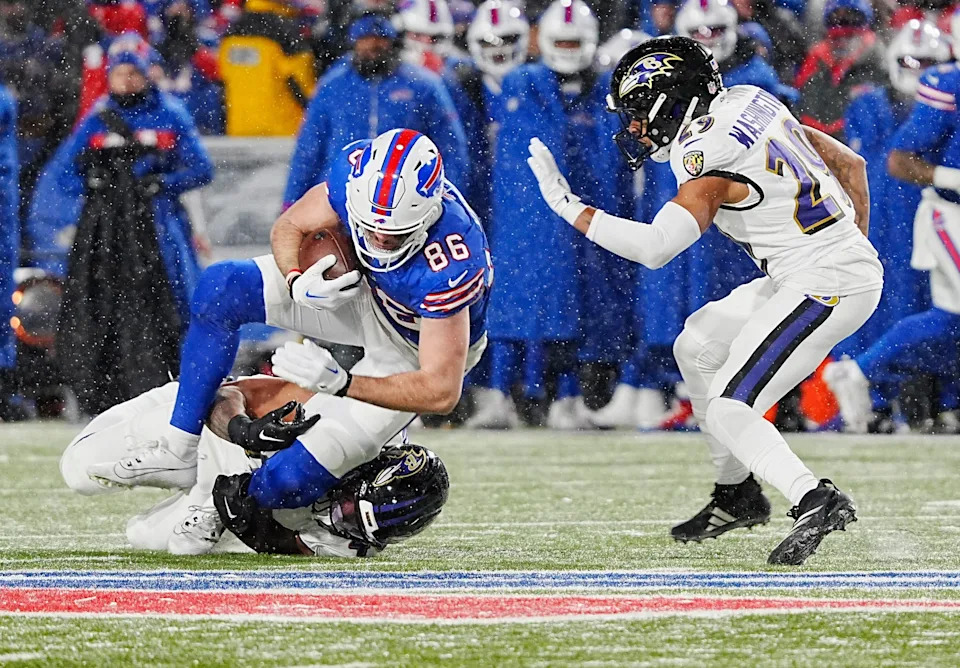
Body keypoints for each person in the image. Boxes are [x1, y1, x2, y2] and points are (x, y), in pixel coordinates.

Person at [527, 36, 883, 565]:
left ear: (674, 102)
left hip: (821, 277)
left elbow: (653, 249)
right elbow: (851, 165)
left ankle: (815, 498)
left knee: (729, 407)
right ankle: (736, 493)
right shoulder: (749, 100)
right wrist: (852, 242)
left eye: (639, 115)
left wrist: (568, 207)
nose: (634, 129)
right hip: (810, 268)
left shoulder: (706, 154)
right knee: (696, 344)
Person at [87, 128, 491, 523]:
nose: (377, 241)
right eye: (368, 227)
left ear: (428, 214)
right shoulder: (355, 171)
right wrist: (298, 279)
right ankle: (179, 444)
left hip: (411, 342)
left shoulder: (452, 260)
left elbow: (440, 391)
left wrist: (343, 385)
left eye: (392, 235)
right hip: (358, 292)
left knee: (285, 485)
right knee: (221, 286)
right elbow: (289, 226)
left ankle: (243, 497)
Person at [61, 375, 448, 557]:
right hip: (207, 424)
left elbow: (302, 545)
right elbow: (230, 393)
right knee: (78, 471)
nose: (336, 518)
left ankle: (210, 501)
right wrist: (242, 431)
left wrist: (256, 530)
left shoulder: (361, 538)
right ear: (364, 470)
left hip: (247, 479)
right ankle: (185, 468)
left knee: (147, 538)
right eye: (347, 508)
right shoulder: (342, 426)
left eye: (354, 525)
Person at [475, 0, 634, 430]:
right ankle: (501, 396)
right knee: (514, 309)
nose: (566, 50)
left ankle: (566, 397)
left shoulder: (601, 88)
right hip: (528, 216)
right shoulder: (525, 83)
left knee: (573, 312)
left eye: (573, 41)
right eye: (560, 41)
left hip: (577, 214)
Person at [48, 32, 214, 416]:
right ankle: (109, 390)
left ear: (146, 74)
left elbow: (201, 169)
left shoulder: (171, 113)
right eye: (118, 73)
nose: (125, 81)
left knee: (171, 302)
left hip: (159, 228)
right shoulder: (99, 115)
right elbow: (67, 172)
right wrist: (94, 184)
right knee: (107, 306)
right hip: (110, 234)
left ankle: (173, 382)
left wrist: (163, 184)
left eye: (132, 73)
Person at [825, 51, 960, 433]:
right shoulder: (949, 84)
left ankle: (858, 371)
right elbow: (900, 161)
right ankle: (864, 369)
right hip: (952, 215)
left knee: (950, 322)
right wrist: (955, 178)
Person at [836, 20, 949, 362]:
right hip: (877, 230)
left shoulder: (948, 110)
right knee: (873, 313)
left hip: (933, 227)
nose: (917, 71)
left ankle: (928, 396)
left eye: (926, 64)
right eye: (910, 63)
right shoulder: (866, 107)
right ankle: (873, 393)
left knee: (933, 313)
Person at [282, 13, 469, 209]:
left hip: (403, 198)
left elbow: (451, 146)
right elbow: (308, 148)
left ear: (392, 43)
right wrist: (291, 201)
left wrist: (450, 198)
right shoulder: (333, 86)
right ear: (354, 43)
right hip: (338, 196)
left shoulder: (422, 84)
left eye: (380, 39)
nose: (373, 46)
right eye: (365, 40)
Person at [219, 0, 315, 136]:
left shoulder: (231, 31)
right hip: (282, 133)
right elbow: (305, 88)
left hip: (239, 131)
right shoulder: (286, 32)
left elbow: (222, 81)